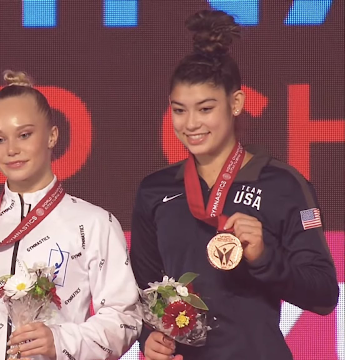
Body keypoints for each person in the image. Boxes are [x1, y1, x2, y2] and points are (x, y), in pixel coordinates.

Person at [130, 10, 339, 360]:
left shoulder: (283, 184)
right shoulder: (155, 190)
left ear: (236, 103)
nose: (191, 124)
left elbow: (323, 296)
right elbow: (141, 292)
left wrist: (264, 258)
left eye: (205, 108)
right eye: (179, 110)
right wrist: (147, 337)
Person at [0, 71, 142, 359]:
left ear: (52, 136)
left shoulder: (95, 223)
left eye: (24, 135)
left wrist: (61, 341)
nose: (11, 150)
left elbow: (125, 319)